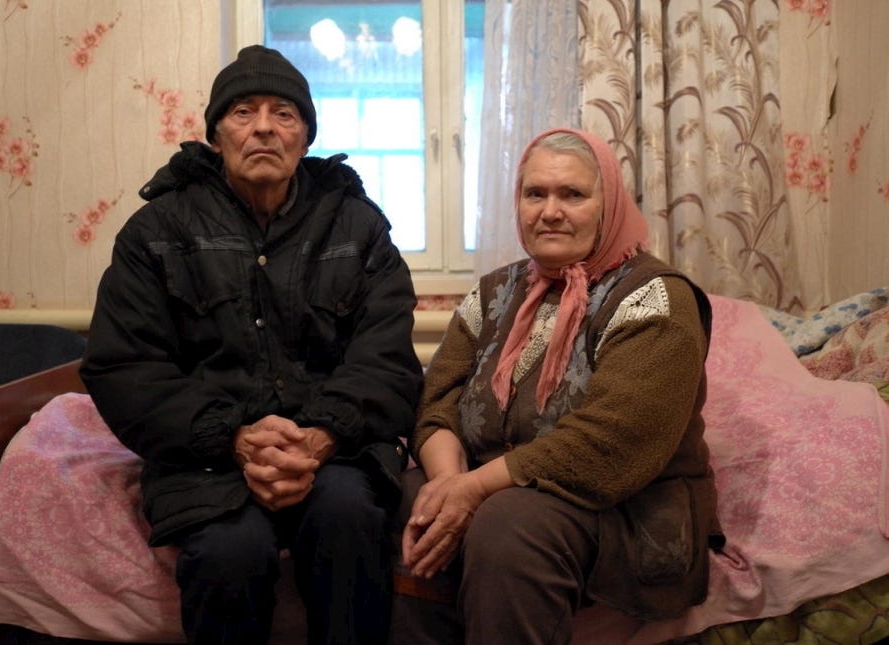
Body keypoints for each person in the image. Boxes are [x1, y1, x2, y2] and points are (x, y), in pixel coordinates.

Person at [80, 44, 424, 644]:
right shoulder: (157, 231)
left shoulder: (358, 226)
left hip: (335, 451)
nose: (263, 126)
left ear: (306, 136)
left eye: (283, 113)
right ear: (216, 136)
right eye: (243, 111)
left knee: (349, 518)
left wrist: (318, 438)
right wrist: (234, 438)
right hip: (204, 455)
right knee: (227, 551)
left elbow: (386, 359)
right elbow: (124, 366)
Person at [400, 127, 723, 644]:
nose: (550, 211)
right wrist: (447, 486)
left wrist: (476, 489)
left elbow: (614, 442)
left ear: (608, 204)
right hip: (499, 487)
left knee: (509, 526)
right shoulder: (495, 292)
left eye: (572, 194)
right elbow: (437, 399)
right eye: (536, 194)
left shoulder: (656, 297)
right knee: (404, 500)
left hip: (622, 506)